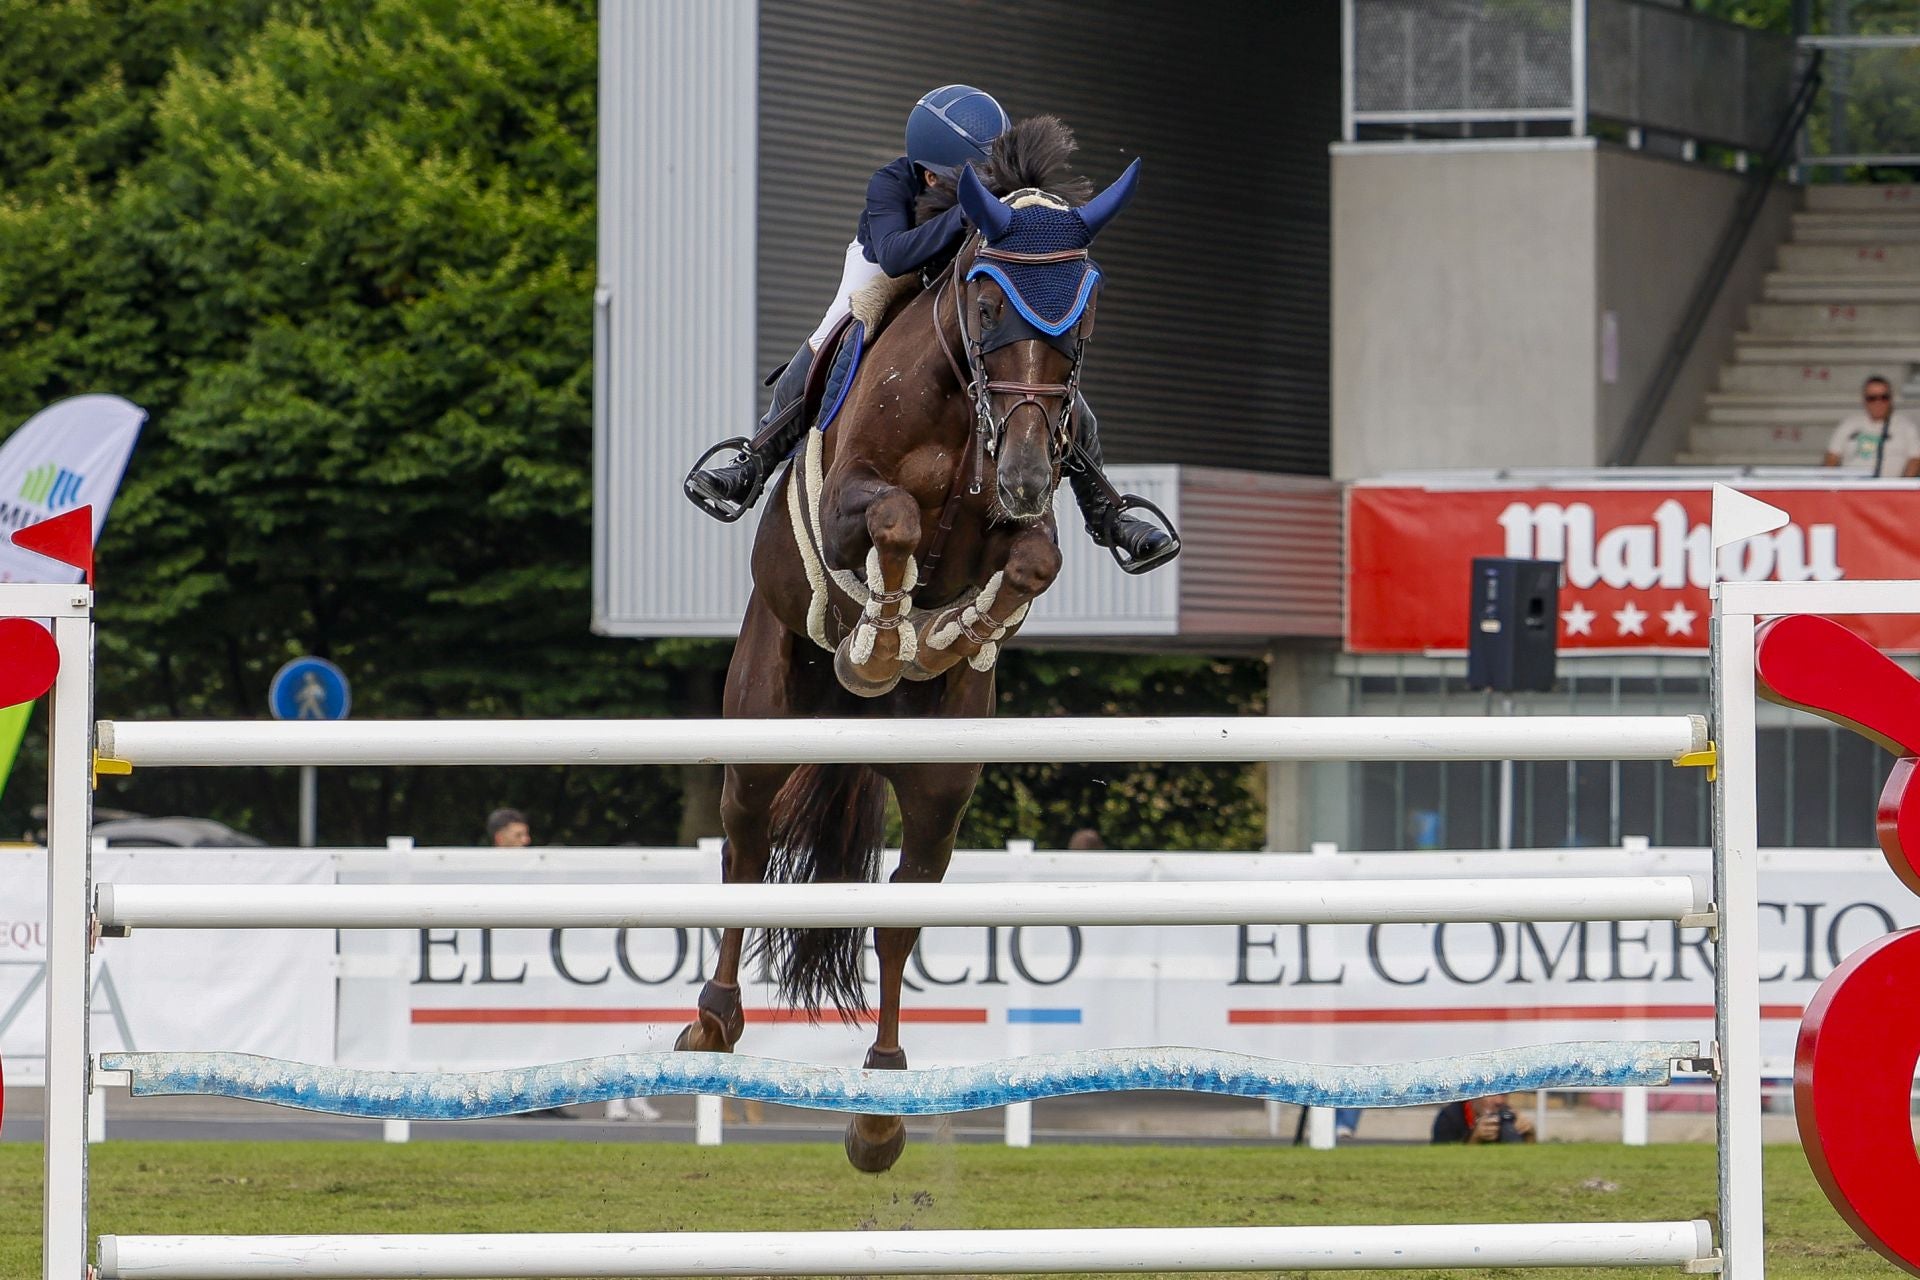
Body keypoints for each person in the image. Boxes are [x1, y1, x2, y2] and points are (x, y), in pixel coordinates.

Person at [683, 85, 1173, 566]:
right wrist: (969, 210)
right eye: (946, 179)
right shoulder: (891, 182)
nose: (954, 184)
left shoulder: (1001, 187)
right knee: (834, 329)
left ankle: (1108, 512)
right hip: (890, 267)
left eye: (973, 178)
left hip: (969, 276)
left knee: (1037, 366)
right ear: (923, 170)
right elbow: (895, 256)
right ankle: (755, 459)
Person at [1822, 376, 1920, 477]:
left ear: (1891, 399)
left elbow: (1915, 460)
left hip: (1890, 489)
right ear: (1864, 400)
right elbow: (1831, 458)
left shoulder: (1906, 427)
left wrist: (1902, 488)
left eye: (1883, 397)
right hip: (1852, 488)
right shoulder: (1849, 424)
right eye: (1872, 398)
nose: (1878, 403)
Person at [1431, 1092, 1536, 1144]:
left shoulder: (1509, 1116)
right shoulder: (1450, 1117)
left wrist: (1529, 1135)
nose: (1499, 1101)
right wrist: (1475, 1138)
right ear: (1473, 1095)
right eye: (1491, 1093)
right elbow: (1441, 1162)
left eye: (1504, 1094)